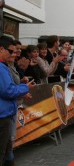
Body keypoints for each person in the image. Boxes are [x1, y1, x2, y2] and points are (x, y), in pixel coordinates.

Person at [0, 35, 36, 166]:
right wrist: (25, 88)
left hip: (5, 113)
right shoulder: (1, 67)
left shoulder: (5, 66)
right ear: (1, 49)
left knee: (8, 153)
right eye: (11, 51)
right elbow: (7, 91)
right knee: (4, 154)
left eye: (15, 51)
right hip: (2, 115)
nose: (13, 54)